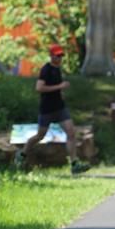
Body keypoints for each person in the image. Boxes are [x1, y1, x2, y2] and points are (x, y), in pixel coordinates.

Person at [22, 44, 90, 174]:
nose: (59, 58)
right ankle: (22, 154)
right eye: (57, 56)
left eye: (61, 56)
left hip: (60, 108)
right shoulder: (46, 69)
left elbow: (56, 87)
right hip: (47, 109)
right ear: (51, 56)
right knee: (40, 136)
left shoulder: (58, 69)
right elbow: (39, 88)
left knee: (71, 133)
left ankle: (74, 163)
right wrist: (59, 87)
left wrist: (60, 93)